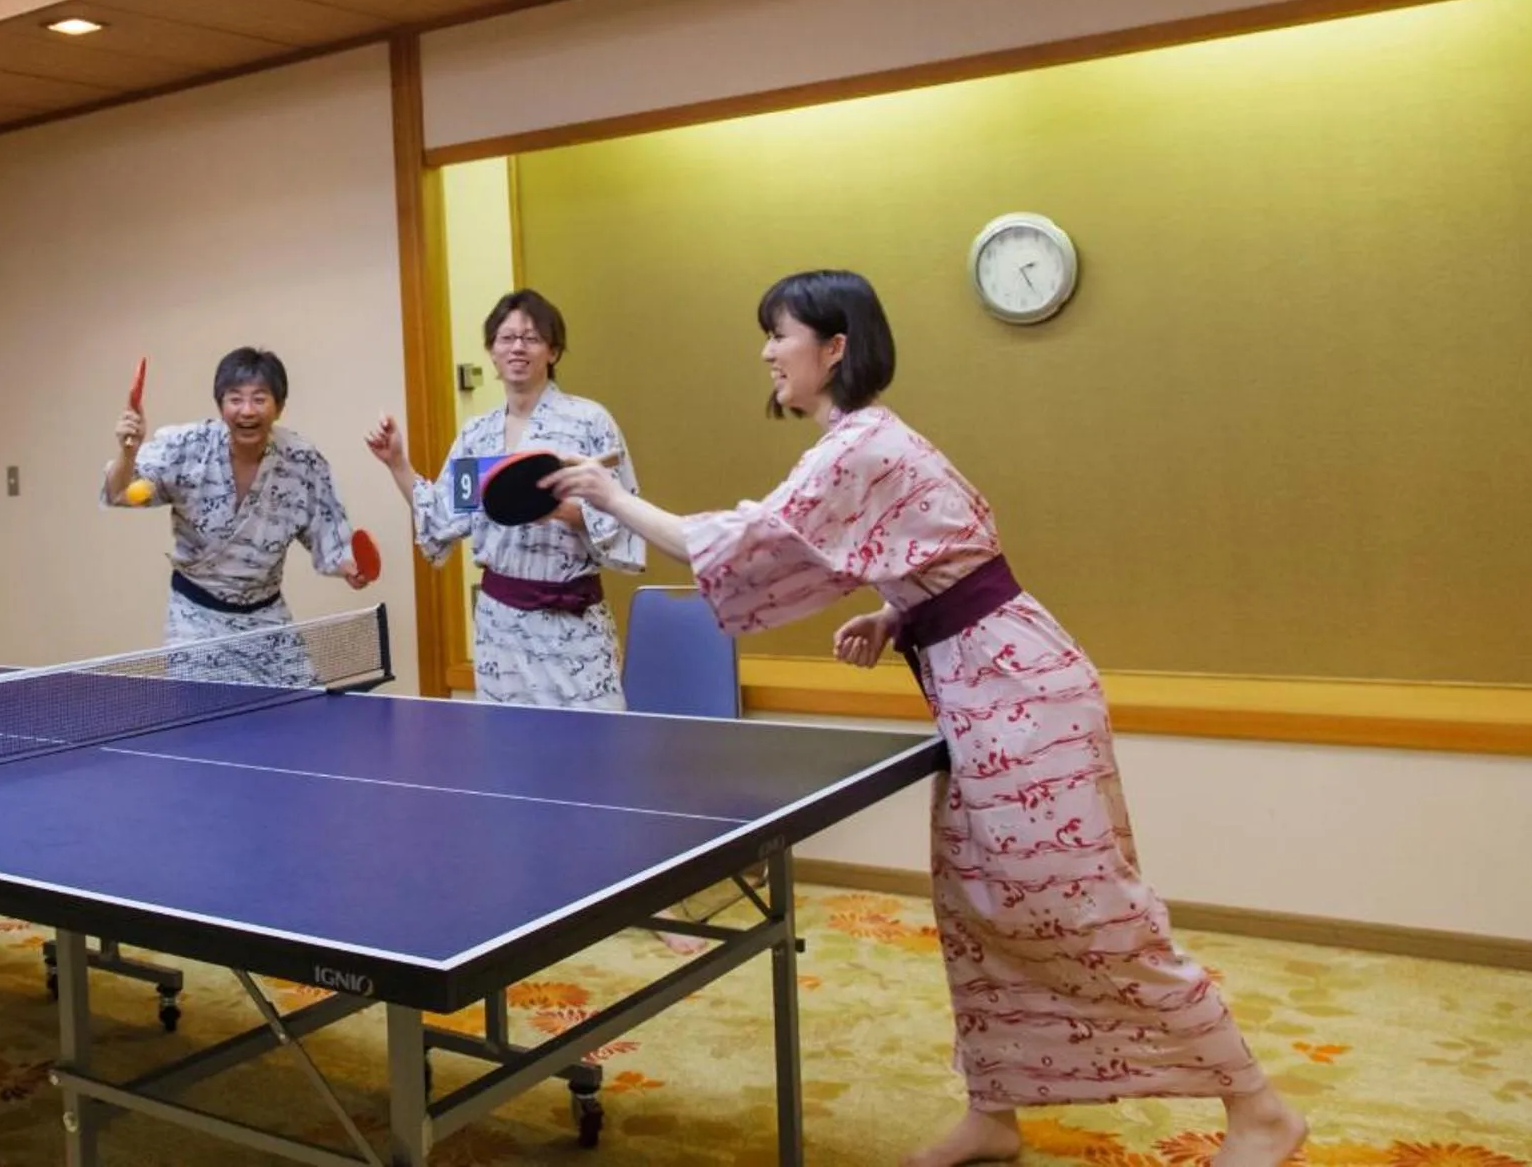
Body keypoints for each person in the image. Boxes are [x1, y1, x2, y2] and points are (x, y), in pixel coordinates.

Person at [542, 270, 1308, 1167]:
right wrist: (898, 611)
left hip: (1022, 699)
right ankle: (995, 1112)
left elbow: (743, 543)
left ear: (833, 348)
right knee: (978, 908)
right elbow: (941, 553)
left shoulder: (859, 446)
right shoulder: (860, 443)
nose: (765, 352)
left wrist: (608, 494)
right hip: (980, 690)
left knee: (1087, 909)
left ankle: (1258, 1108)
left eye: (778, 334)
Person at [366, 288, 643, 710]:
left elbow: (624, 516)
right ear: (492, 353)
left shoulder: (589, 422)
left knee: (595, 748)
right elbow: (442, 518)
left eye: (531, 338)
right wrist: (398, 463)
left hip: (573, 621)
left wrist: (557, 508)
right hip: (500, 628)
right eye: (506, 337)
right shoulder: (476, 435)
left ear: (552, 351)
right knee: (510, 755)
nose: (517, 347)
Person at [102, 346, 368, 685]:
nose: (247, 411)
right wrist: (128, 451)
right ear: (220, 405)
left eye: (260, 399)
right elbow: (120, 492)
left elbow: (328, 533)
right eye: (235, 399)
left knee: (305, 710)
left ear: (279, 407)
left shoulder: (301, 461)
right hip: (195, 619)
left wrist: (348, 566)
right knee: (206, 724)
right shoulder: (187, 447)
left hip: (266, 615)